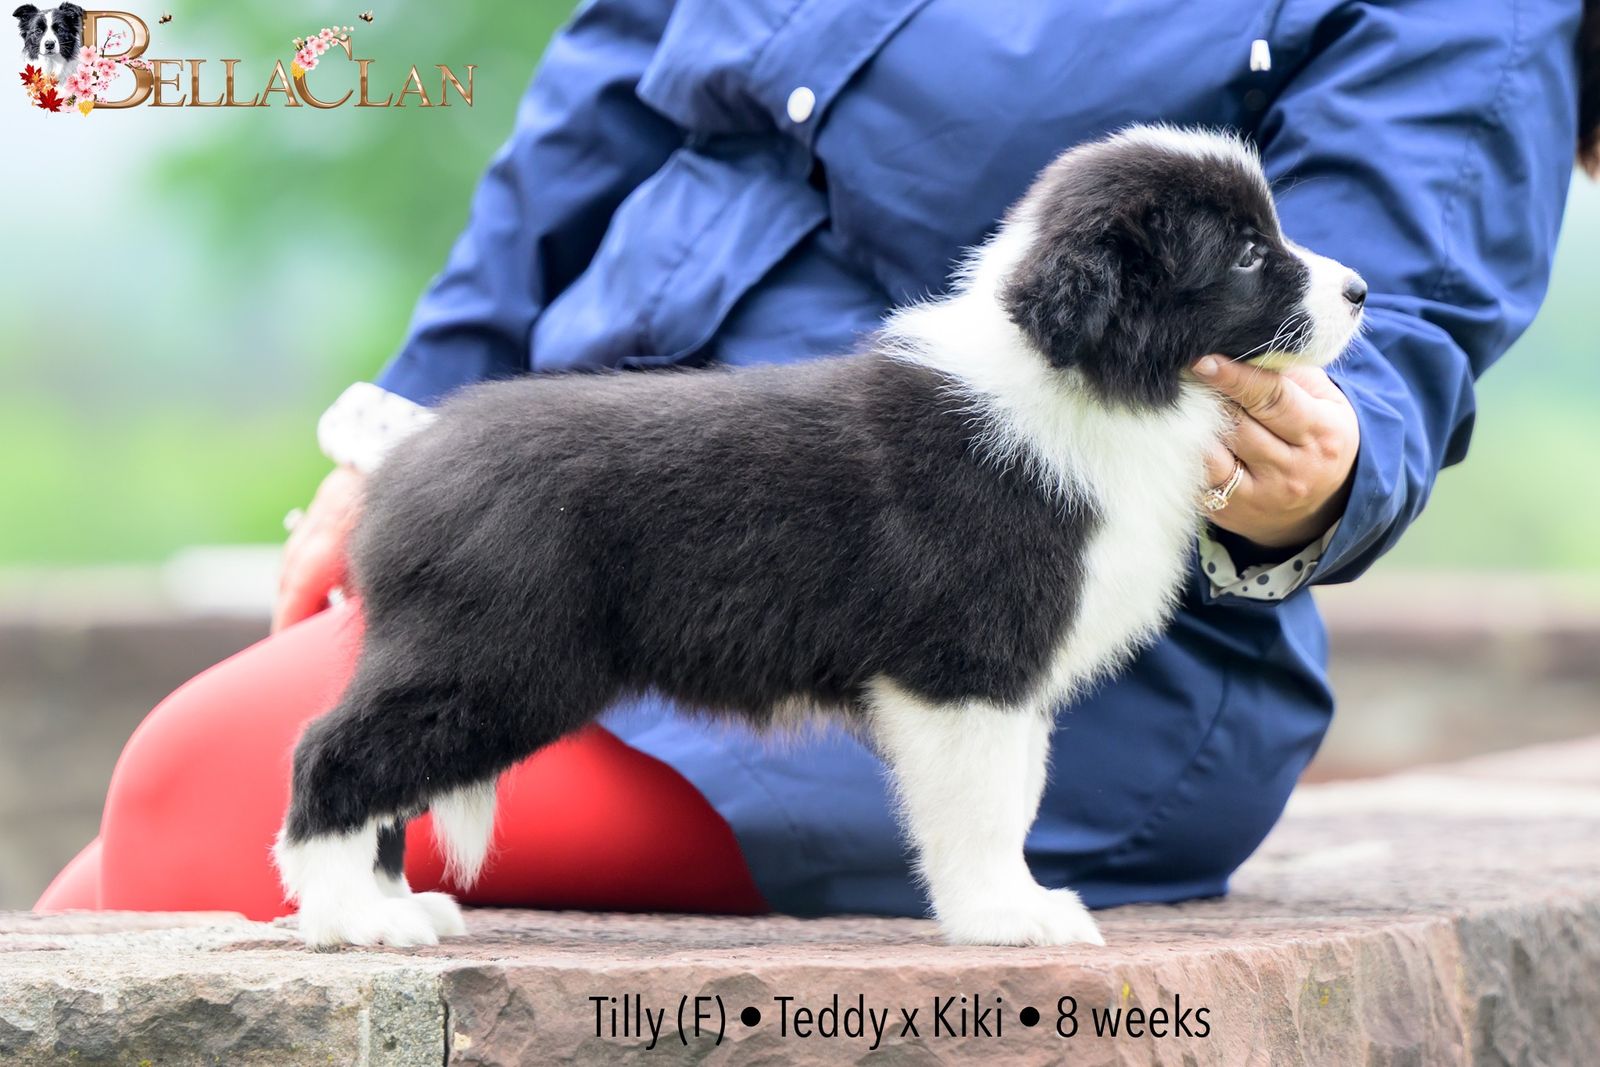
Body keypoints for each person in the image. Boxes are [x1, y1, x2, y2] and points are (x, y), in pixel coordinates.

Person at [38, 0, 1587, 920]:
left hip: (983, 623)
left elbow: (1392, 307)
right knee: (109, 895)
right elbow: (598, 100)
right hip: (601, 509)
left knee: (192, 799)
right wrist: (410, 436)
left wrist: (1321, 472)